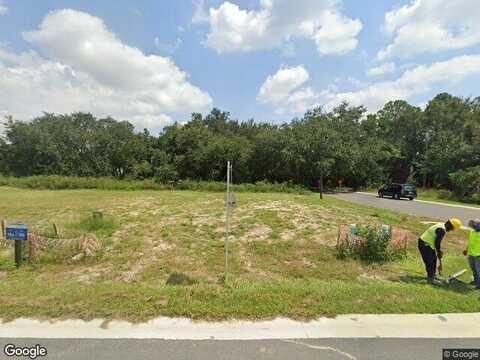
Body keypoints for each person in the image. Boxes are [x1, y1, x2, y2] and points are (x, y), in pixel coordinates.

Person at [418, 218, 462, 285]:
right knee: (430, 261)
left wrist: (438, 252)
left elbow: (436, 242)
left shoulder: (441, 225)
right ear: (451, 226)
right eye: (452, 229)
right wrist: (439, 252)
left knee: (433, 260)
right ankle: (431, 279)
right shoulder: (442, 230)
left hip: (426, 243)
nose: (451, 230)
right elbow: (437, 242)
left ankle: (432, 276)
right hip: (425, 244)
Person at [464, 219, 480, 289]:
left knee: (478, 270)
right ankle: (476, 281)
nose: (472, 227)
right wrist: (466, 249)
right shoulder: (472, 232)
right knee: (473, 268)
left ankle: (479, 285)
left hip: (478, 255)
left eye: (473, 225)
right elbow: (470, 242)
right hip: (471, 254)